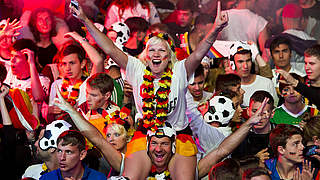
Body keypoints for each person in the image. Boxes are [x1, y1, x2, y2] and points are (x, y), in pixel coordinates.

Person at [70, 1, 228, 179]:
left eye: (161, 50)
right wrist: (84, 19)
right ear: (146, 55)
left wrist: (215, 29)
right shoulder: (137, 68)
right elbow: (110, 48)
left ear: (168, 57)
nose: (156, 54)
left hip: (179, 136)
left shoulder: (179, 71)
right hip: (145, 135)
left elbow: (199, 53)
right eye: (151, 50)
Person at [53, 80, 271, 179]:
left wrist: (248, 123)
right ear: (147, 146)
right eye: (155, 144)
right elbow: (98, 140)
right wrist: (72, 111)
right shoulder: (128, 164)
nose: (159, 149)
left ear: (173, 147)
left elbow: (221, 150)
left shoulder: (188, 170)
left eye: (164, 144)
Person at [48, 31, 104, 122]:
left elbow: (98, 61)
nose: (67, 68)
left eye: (72, 63)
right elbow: (50, 119)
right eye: (64, 64)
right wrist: (50, 111)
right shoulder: (56, 85)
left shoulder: (88, 83)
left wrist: (80, 40)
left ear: (82, 64)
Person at [39, 130, 107, 179]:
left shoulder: (98, 178)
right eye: (59, 151)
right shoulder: (47, 178)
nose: (62, 157)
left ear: (82, 155)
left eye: (68, 152)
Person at [229, 41, 277, 107]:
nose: (245, 66)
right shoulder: (226, 86)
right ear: (233, 64)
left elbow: (274, 110)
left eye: (248, 61)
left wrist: (256, 55)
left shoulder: (266, 83)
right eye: (240, 62)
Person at [232, 91, 274, 165]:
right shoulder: (239, 136)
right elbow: (233, 164)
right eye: (255, 111)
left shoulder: (280, 134)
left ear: (272, 114)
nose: (259, 117)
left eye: (264, 112)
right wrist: (254, 160)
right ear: (248, 111)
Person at [277, 44, 320, 109]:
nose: (307, 67)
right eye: (305, 63)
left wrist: (295, 83)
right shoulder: (300, 82)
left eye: (312, 63)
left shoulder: (297, 84)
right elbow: (281, 111)